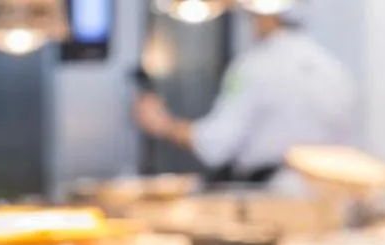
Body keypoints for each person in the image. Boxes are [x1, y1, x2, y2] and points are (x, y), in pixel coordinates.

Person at [131, 11, 359, 191]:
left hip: (275, 200)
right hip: (333, 201)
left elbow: (216, 144)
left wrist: (163, 124)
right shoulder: (334, 69)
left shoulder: (254, 67)